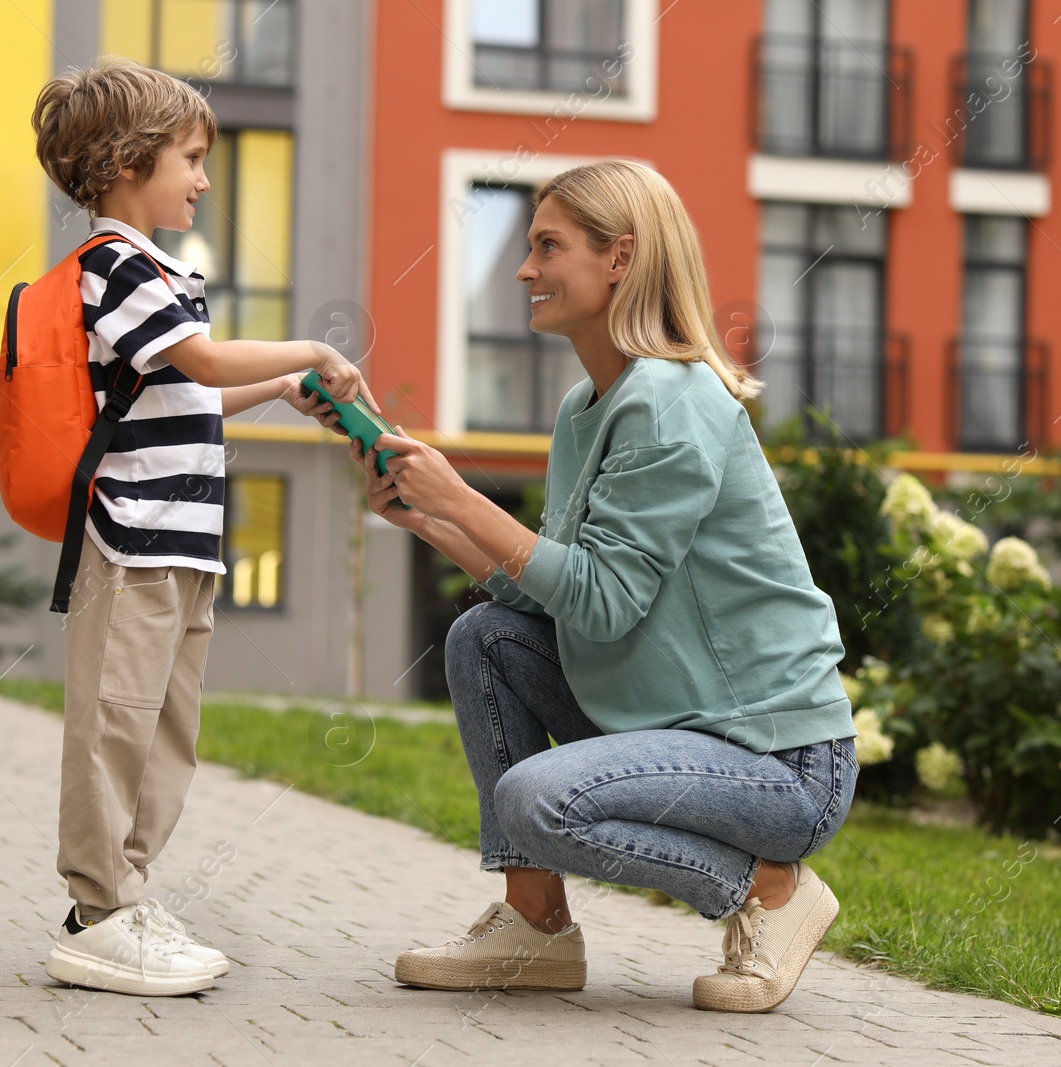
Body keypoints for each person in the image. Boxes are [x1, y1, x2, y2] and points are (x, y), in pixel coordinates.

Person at [297, 160, 855, 1013]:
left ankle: (769, 889)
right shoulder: (587, 406)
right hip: (679, 730)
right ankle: (536, 926)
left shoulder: (670, 404)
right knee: (484, 637)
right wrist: (430, 519)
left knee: (535, 799)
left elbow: (602, 599)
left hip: (777, 764)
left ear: (620, 258)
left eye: (547, 246)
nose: (525, 269)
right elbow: (543, 595)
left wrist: (464, 500)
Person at [30, 58, 374, 997]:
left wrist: (282, 388)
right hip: (132, 540)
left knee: (165, 733)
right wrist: (311, 347)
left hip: (183, 541)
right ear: (126, 162)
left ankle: (125, 896)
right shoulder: (116, 265)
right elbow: (203, 359)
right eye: (189, 157)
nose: (204, 177)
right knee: (115, 724)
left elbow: (191, 392)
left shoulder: (162, 270)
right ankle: (95, 910)